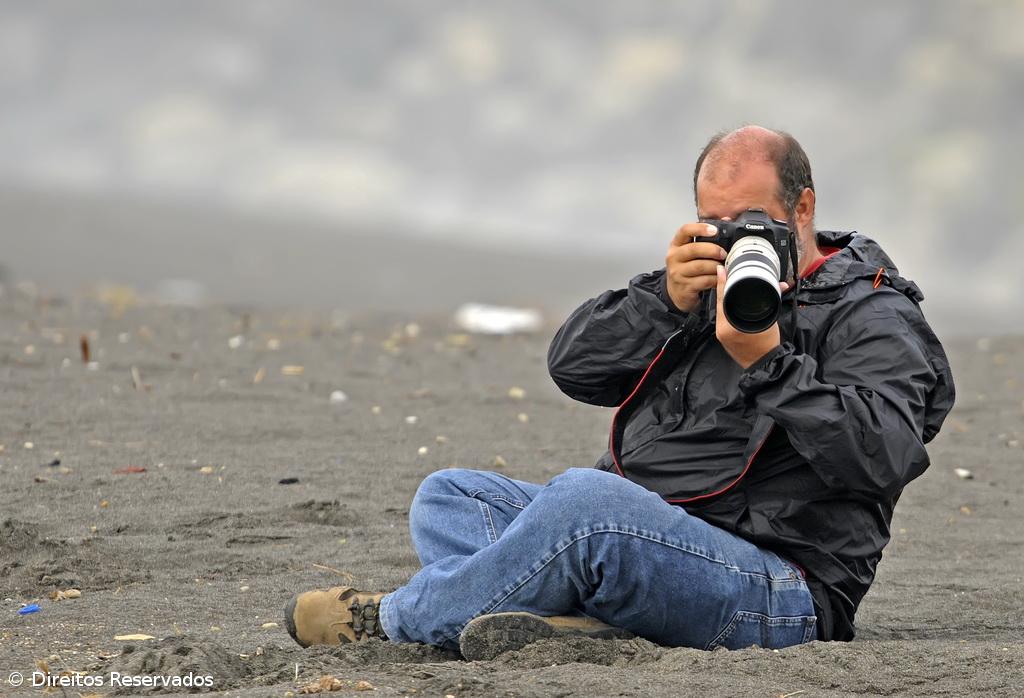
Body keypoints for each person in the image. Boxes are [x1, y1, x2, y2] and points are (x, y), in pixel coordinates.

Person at [283, 125, 955, 660]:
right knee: (450, 496)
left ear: (802, 207)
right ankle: (586, 623)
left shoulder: (874, 315)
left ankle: (396, 617)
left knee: (585, 505)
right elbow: (574, 369)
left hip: (781, 590)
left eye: (752, 220)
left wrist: (768, 364)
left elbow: (885, 455)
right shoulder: (703, 284)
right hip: (653, 537)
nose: (735, 239)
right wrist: (662, 300)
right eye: (714, 222)